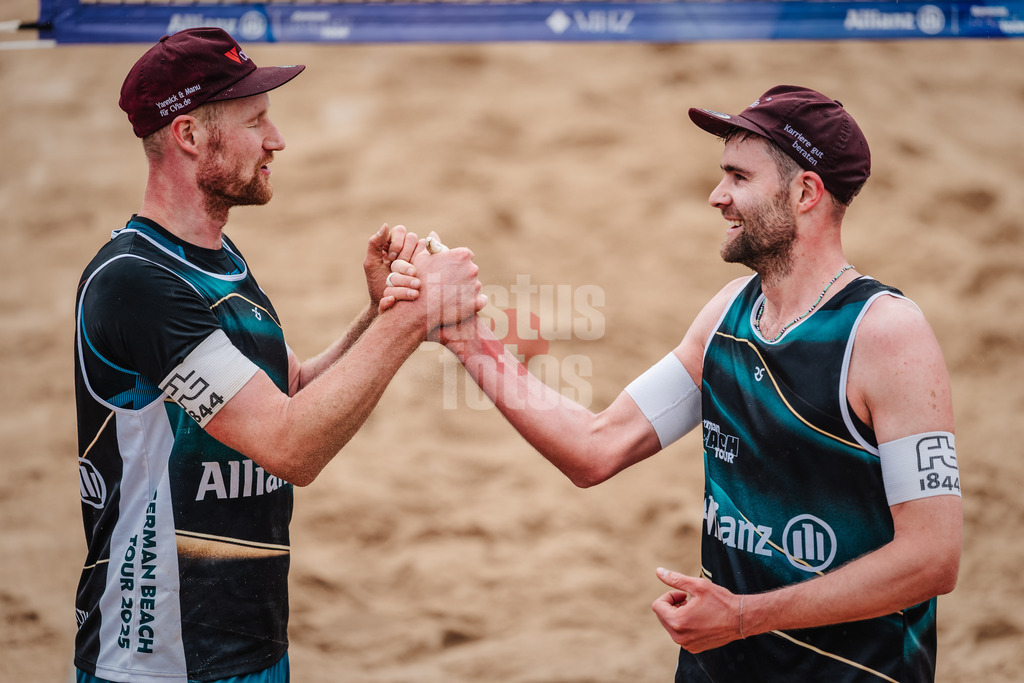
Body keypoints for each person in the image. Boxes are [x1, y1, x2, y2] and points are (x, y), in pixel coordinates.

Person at [384, 85, 961, 681]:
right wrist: (463, 334)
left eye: (739, 177)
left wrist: (743, 615)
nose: (717, 197)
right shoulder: (728, 315)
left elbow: (933, 559)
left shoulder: (888, 334)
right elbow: (597, 447)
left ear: (806, 192)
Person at [73, 27, 484, 683]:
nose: (277, 139)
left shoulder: (220, 261)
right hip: (158, 662)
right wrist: (411, 320)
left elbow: (285, 394)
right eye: (256, 119)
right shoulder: (135, 283)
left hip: (253, 649)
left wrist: (379, 316)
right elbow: (290, 446)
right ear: (188, 135)